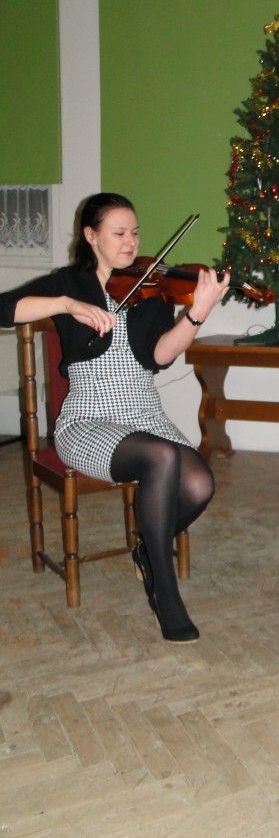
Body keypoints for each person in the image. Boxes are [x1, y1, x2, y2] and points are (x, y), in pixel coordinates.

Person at [0, 193, 230, 643]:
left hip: (145, 413)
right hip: (88, 419)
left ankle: (148, 549)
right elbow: (3, 308)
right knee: (163, 458)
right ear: (91, 236)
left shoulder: (151, 286)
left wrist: (197, 314)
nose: (131, 242)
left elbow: (160, 356)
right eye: (119, 233)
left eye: (135, 232)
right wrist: (65, 305)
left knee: (201, 484)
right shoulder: (70, 283)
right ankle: (165, 593)